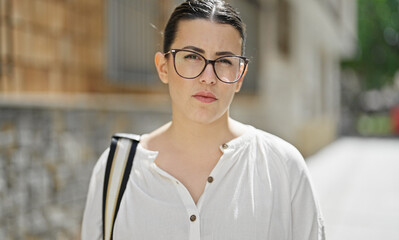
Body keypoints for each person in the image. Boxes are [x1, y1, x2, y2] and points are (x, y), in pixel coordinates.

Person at [81, 0, 325, 239]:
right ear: (163, 67)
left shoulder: (283, 167)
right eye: (192, 57)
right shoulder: (116, 170)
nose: (208, 77)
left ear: (240, 76)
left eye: (224, 61)